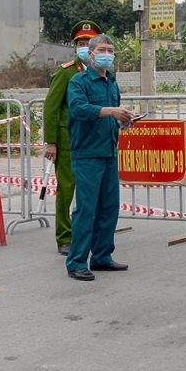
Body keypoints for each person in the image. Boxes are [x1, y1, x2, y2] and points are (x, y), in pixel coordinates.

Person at [65, 33, 134, 281]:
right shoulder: (79, 81)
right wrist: (111, 111)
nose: (107, 54)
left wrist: (124, 119)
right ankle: (76, 262)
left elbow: (112, 115)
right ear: (91, 54)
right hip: (87, 153)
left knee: (109, 207)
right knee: (86, 209)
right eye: (102, 49)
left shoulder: (112, 82)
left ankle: (102, 256)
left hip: (108, 151)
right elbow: (79, 109)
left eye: (110, 49)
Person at [43, 20, 101, 255]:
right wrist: (51, 142)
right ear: (75, 46)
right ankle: (64, 237)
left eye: (89, 43)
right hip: (69, 141)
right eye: (80, 43)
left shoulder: (102, 72)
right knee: (66, 190)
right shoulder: (66, 71)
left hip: (95, 142)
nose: (84, 46)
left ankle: (88, 233)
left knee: (92, 190)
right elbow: (51, 107)